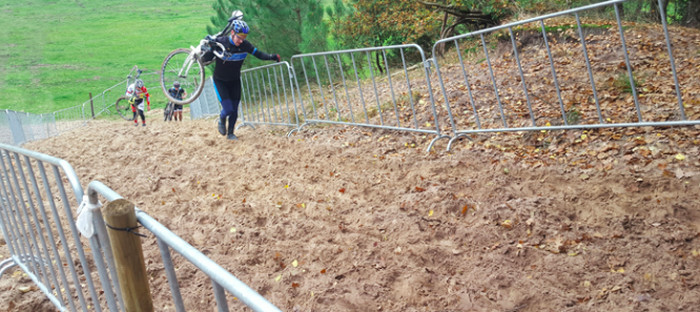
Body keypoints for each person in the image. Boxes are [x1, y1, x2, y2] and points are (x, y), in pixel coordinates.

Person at [208, 19, 280, 140]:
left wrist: (272, 57)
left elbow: (259, 54)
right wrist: (209, 45)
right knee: (228, 109)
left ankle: (230, 133)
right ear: (232, 33)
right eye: (239, 37)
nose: (241, 41)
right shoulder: (221, 42)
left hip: (234, 81)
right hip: (220, 81)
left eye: (244, 37)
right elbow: (208, 57)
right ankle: (221, 118)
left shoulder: (245, 45)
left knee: (235, 110)